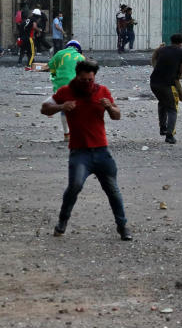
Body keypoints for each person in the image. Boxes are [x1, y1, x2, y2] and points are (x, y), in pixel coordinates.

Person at [41, 59, 131, 241]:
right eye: (84, 80)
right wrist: (61, 107)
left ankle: (123, 227)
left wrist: (110, 107)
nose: (87, 84)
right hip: (80, 152)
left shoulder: (102, 91)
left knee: (113, 190)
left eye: (91, 80)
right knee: (74, 186)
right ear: (77, 76)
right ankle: (62, 221)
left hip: (102, 151)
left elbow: (117, 116)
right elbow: (44, 108)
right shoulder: (66, 91)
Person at [150, 33, 182, 144]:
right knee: (172, 109)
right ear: (181, 43)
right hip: (167, 84)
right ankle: (169, 135)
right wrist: (179, 74)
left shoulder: (162, 50)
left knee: (162, 103)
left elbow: (154, 59)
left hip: (154, 82)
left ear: (171, 41)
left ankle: (163, 128)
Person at [48, 39, 84, 142]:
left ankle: (66, 134)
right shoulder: (81, 57)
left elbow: (51, 66)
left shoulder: (60, 53)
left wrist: (55, 77)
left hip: (61, 86)